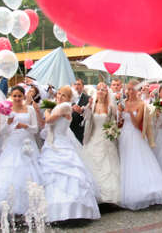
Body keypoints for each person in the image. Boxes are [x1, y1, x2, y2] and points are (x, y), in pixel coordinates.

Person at [39, 86, 100, 222]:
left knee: (68, 176)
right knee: (51, 178)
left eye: (64, 95)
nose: (60, 97)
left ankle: (73, 210)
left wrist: (47, 110)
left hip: (60, 143)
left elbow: (49, 120)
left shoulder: (65, 106)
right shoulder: (58, 106)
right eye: (59, 94)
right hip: (52, 143)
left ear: (69, 99)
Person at [118, 80, 162, 210]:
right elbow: (119, 123)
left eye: (132, 89)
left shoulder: (142, 104)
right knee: (127, 162)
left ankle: (148, 190)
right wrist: (120, 114)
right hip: (124, 135)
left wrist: (130, 112)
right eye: (128, 89)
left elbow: (138, 124)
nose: (130, 92)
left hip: (135, 135)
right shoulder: (122, 103)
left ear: (137, 90)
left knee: (138, 161)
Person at [0, 86, 42, 216]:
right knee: (11, 174)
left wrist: (25, 126)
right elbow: (2, 132)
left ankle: (31, 206)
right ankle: (11, 206)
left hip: (27, 143)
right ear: (11, 96)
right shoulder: (6, 110)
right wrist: (8, 122)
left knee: (29, 173)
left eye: (19, 96)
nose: (16, 98)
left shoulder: (30, 109)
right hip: (12, 144)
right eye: (14, 96)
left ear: (23, 96)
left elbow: (35, 129)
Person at [82, 82, 121, 205]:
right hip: (93, 138)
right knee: (92, 162)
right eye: (99, 89)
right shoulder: (92, 105)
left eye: (103, 90)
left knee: (108, 166)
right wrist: (87, 108)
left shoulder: (110, 107)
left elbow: (115, 122)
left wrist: (112, 129)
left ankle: (109, 196)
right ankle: (94, 194)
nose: (101, 91)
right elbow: (87, 119)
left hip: (106, 139)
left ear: (107, 93)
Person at [70, 79, 90, 144]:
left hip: (80, 130)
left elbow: (89, 114)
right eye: (75, 84)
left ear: (83, 86)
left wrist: (82, 112)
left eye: (78, 84)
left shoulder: (88, 98)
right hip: (68, 128)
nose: (76, 86)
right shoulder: (68, 98)